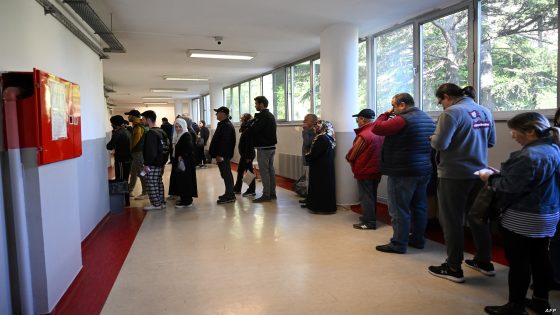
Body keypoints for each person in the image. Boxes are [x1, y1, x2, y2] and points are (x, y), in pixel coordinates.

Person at [481, 112, 560, 315]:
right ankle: (541, 301)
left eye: (515, 130)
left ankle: (515, 306)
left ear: (531, 132)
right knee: (541, 258)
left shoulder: (528, 156)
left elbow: (508, 187)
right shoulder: (553, 149)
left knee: (519, 262)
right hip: (548, 212)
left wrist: (489, 178)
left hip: (524, 215)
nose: (512, 134)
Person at [428, 83, 497, 283]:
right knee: (478, 218)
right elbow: (490, 142)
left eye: (440, 100)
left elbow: (440, 144)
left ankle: (453, 267)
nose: (440, 105)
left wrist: (432, 137)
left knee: (452, 221)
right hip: (480, 173)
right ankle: (484, 261)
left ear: (446, 96)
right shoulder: (485, 111)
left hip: (453, 174)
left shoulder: (451, 113)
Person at [372, 93, 435, 254]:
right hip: (423, 169)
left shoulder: (402, 120)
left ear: (402, 105)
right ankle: (418, 239)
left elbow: (377, 128)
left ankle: (398, 243)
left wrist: (385, 114)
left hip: (403, 170)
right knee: (419, 206)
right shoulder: (427, 118)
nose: (393, 109)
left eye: (394, 106)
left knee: (398, 208)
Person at [345, 108, 384, 230]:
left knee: (366, 196)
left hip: (365, 171)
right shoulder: (379, 132)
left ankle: (369, 222)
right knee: (372, 194)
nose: (357, 121)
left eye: (358, 119)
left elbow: (353, 154)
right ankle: (370, 217)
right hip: (377, 169)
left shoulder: (364, 135)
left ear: (362, 119)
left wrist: (348, 158)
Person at [247, 96, 278, 203]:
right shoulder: (270, 115)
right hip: (271, 147)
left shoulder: (263, 116)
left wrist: (251, 124)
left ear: (261, 104)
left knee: (264, 172)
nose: (255, 105)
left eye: (256, 104)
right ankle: (272, 193)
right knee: (270, 170)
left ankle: (266, 195)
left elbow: (255, 130)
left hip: (264, 148)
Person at [304, 120, 337, 214]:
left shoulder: (322, 138)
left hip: (320, 167)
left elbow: (315, 153)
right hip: (326, 166)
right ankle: (325, 207)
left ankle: (320, 208)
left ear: (322, 127)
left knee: (320, 187)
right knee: (325, 187)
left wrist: (307, 156)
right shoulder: (329, 137)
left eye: (316, 126)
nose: (314, 128)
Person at [141, 110, 170, 210]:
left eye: (143, 119)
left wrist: (146, 164)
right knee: (158, 182)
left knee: (151, 183)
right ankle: (161, 202)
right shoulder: (162, 131)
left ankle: (156, 204)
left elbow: (151, 151)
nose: (142, 120)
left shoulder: (151, 133)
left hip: (153, 164)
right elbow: (167, 148)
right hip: (161, 163)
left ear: (148, 119)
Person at [208, 106, 237, 204]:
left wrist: (220, 154)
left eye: (218, 113)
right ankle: (229, 193)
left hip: (223, 155)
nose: (216, 114)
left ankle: (230, 195)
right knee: (225, 174)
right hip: (221, 155)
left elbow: (225, 142)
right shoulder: (223, 124)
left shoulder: (227, 126)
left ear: (223, 114)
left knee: (226, 174)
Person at [170, 118, 198, 208]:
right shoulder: (180, 135)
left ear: (184, 126)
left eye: (180, 127)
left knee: (185, 181)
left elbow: (189, 148)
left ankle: (187, 201)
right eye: (176, 127)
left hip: (185, 163)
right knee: (181, 181)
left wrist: (181, 156)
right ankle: (184, 199)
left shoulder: (186, 135)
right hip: (181, 162)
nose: (178, 129)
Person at [106, 115, 132, 206]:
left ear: (114, 124)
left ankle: (123, 201)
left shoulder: (118, 133)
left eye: (111, 123)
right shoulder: (127, 131)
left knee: (120, 180)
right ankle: (127, 201)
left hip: (121, 160)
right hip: (128, 159)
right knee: (125, 179)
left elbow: (109, 146)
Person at [125, 109, 149, 200]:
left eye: (129, 115)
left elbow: (136, 142)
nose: (128, 117)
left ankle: (145, 192)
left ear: (134, 116)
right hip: (137, 153)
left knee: (141, 173)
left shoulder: (139, 127)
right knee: (134, 172)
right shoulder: (137, 125)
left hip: (138, 153)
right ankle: (129, 190)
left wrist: (130, 149)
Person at [233, 113, 256, 197]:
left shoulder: (248, 129)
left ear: (245, 119)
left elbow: (249, 144)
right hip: (245, 154)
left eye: (241, 118)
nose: (240, 120)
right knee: (240, 171)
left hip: (247, 155)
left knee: (249, 172)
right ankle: (237, 188)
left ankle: (251, 189)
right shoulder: (246, 128)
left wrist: (248, 157)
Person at [298, 113, 317, 203]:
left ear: (312, 122)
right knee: (307, 180)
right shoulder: (309, 130)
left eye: (306, 120)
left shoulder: (313, 131)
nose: (303, 121)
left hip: (310, 160)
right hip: (306, 159)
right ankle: (308, 197)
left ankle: (310, 199)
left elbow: (307, 143)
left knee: (309, 180)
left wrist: (305, 130)